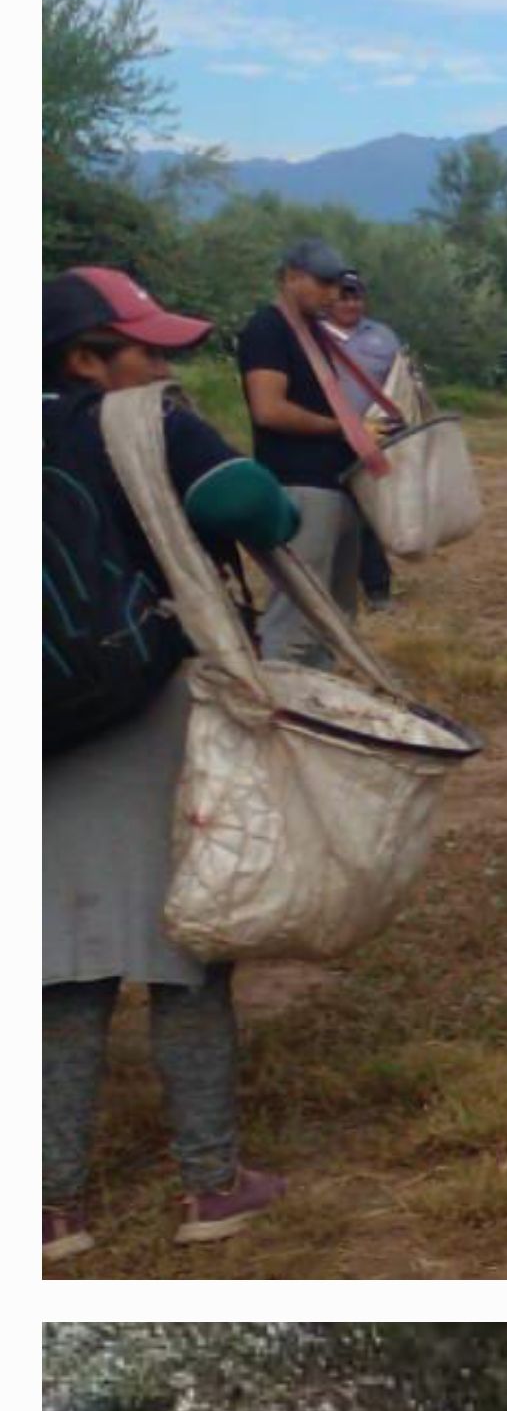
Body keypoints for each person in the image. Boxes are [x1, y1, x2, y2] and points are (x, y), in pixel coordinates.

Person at [44, 267, 303, 1257]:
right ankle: (212, 1183)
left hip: (39, 738)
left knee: (60, 974)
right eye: (146, 348)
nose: (165, 363)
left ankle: (48, 1209)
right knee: (188, 948)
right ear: (87, 359)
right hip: (155, 710)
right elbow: (257, 508)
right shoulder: (146, 423)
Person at [235, 235, 376, 664]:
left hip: (334, 486)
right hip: (300, 486)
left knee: (333, 620)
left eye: (338, 285)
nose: (334, 294)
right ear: (292, 277)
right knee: (296, 616)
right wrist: (343, 427)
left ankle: (321, 709)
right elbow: (269, 409)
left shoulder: (313, 334)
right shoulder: (267, 329)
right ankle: (277, 709)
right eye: (324, 283)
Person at [323, 270, 402, 611]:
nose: (351, 303)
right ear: (330, 298)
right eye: (343, 296)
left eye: (356, 296)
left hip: (375, 437)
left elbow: (401, 383)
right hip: (325, 435)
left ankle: (377, 588)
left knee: (368, 513)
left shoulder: (384, 337)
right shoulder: (310, 335)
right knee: (326, 511)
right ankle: (326, 586)